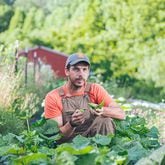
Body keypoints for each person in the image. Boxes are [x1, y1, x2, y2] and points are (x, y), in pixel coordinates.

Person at [44, 53, 125, 142]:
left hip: (96, 142)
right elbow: (55, 137)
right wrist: (71, 124)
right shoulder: (53, 97)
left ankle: (105, 153)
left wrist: (102, 110)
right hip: (69, 148)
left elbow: (121, 114)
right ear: (67, 71)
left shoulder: (95, 89)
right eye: (76, 69)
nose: (81, 74)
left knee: (105, 121)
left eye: (84, 70)